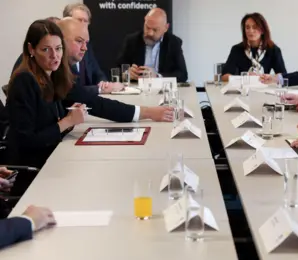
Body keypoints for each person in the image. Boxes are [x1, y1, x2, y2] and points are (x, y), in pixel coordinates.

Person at [8, 20, 174, 196]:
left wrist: (147, 112)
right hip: (34, 172)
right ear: (31, 49)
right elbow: (27, 141)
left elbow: (95, 103)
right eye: (46, 49)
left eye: (58, 49)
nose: (54, 56)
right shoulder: (24, 81)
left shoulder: (55, 75)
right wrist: (67, 122)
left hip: (54, 160)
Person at [117, 8, 188, 82]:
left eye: (155, 30)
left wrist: (157, 76)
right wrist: (127, 74)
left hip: (163, 90)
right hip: (137, 89)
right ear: (145, 21)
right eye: (147, 27)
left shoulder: (174, 42)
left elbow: (182, 75)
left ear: (166, 28)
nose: (150, 33)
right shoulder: (132, 41)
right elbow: (116, 69)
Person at [58, 17, 122, 93]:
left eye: (86, 43)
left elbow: (97, 73)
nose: (85, 48)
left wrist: (104, 85)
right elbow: (71, 93)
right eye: (79, 41)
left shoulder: (82, 54)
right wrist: (100, 89)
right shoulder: (55, 64)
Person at [221, 12, 286, 82]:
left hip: (265, 88)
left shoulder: (273, 50)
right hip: (243, 89)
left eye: (255, 27)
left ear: (262, 30)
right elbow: (224, 76)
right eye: (247, 27)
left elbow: (283, 76)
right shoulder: (237, 49)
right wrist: (244, 77)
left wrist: (270, 77)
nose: (250, 31)